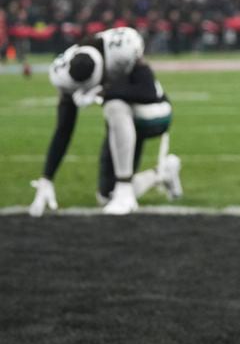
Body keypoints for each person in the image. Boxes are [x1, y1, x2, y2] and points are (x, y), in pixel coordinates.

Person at [29, 27, 183, 217]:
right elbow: (64, 128)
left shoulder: (121, 47)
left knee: (114, 105)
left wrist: (106, 92)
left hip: (155, 114)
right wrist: (47, 178)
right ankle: (162, 172)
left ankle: (125, 189)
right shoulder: (65, 73)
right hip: (124, 123)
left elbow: (148, 92)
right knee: (106, 196)